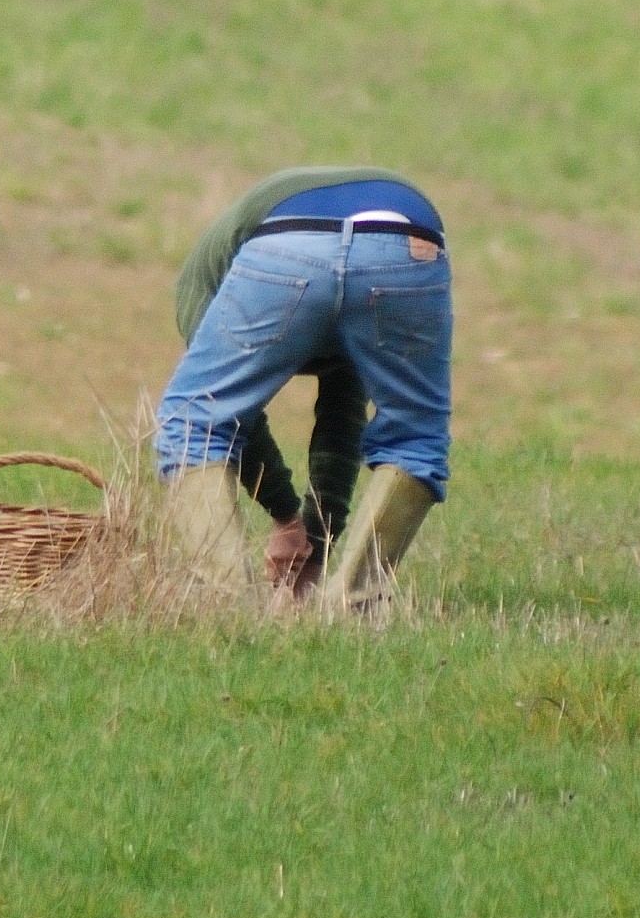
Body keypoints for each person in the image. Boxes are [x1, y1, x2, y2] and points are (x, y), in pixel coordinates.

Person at [155, 167, 452, 607]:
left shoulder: (200, 283)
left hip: (287, 243)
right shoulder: (214, 267)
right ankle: (350, 607)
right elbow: (343, 412)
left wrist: (303, 529)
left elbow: (225, 416)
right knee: (415, 436)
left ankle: (228, 608)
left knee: (193, 425)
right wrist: (296, 524)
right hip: (407, 241)